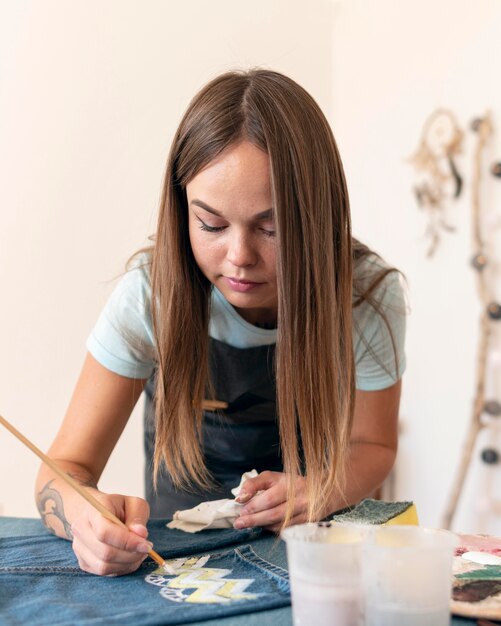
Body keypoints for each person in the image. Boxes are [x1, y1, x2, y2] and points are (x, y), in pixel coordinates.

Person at [35, 68, 406, 576]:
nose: (238, 257)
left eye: (271, 228)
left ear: (317, 216)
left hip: (309, 559)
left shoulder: (364, 295)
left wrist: (322, 486)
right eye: (210, 224)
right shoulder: (151, 297)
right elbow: (63, 470)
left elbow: (374, 445)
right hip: (177, 561)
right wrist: (83, 516)